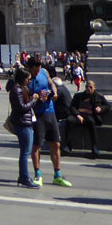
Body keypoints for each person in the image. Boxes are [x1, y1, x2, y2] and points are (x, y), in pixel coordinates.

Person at [25, 55, 71, 187]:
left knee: (56, 144)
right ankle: (37, 174)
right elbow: (25, 97)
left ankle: (57, 175)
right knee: (37, 146)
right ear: (30, 68)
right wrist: (37, 98)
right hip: (37, 114)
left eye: (38, 70)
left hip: (50, 112)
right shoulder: (27, 78)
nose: (37, 73)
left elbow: (51, 83)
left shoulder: (44, 72)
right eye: (35, 71)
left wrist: (54, 92)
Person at [9, 67, 40, 188]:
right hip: (22, 123)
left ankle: (23, 176)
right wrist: (33, 100)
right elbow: (22, 107)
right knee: (25, 153)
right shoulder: (16, 90)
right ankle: (24, 178)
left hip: (25, 121)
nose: (29, 81)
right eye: (28, 79)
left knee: (25, 152)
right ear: (23, 79)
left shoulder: (22, 89)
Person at [67, 80, 109, 158]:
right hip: (79, 115)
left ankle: (94, 147)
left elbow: (107, 106)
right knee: (69, 120)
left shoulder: (99, 96)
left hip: (89, 116)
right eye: (86, 86)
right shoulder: (78, 96)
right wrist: (77, 115)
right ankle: (68, 145)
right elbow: (72, 106)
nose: (88, 88)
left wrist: (100, 108)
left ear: (94, 88)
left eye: (90, 87)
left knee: (91, 122)